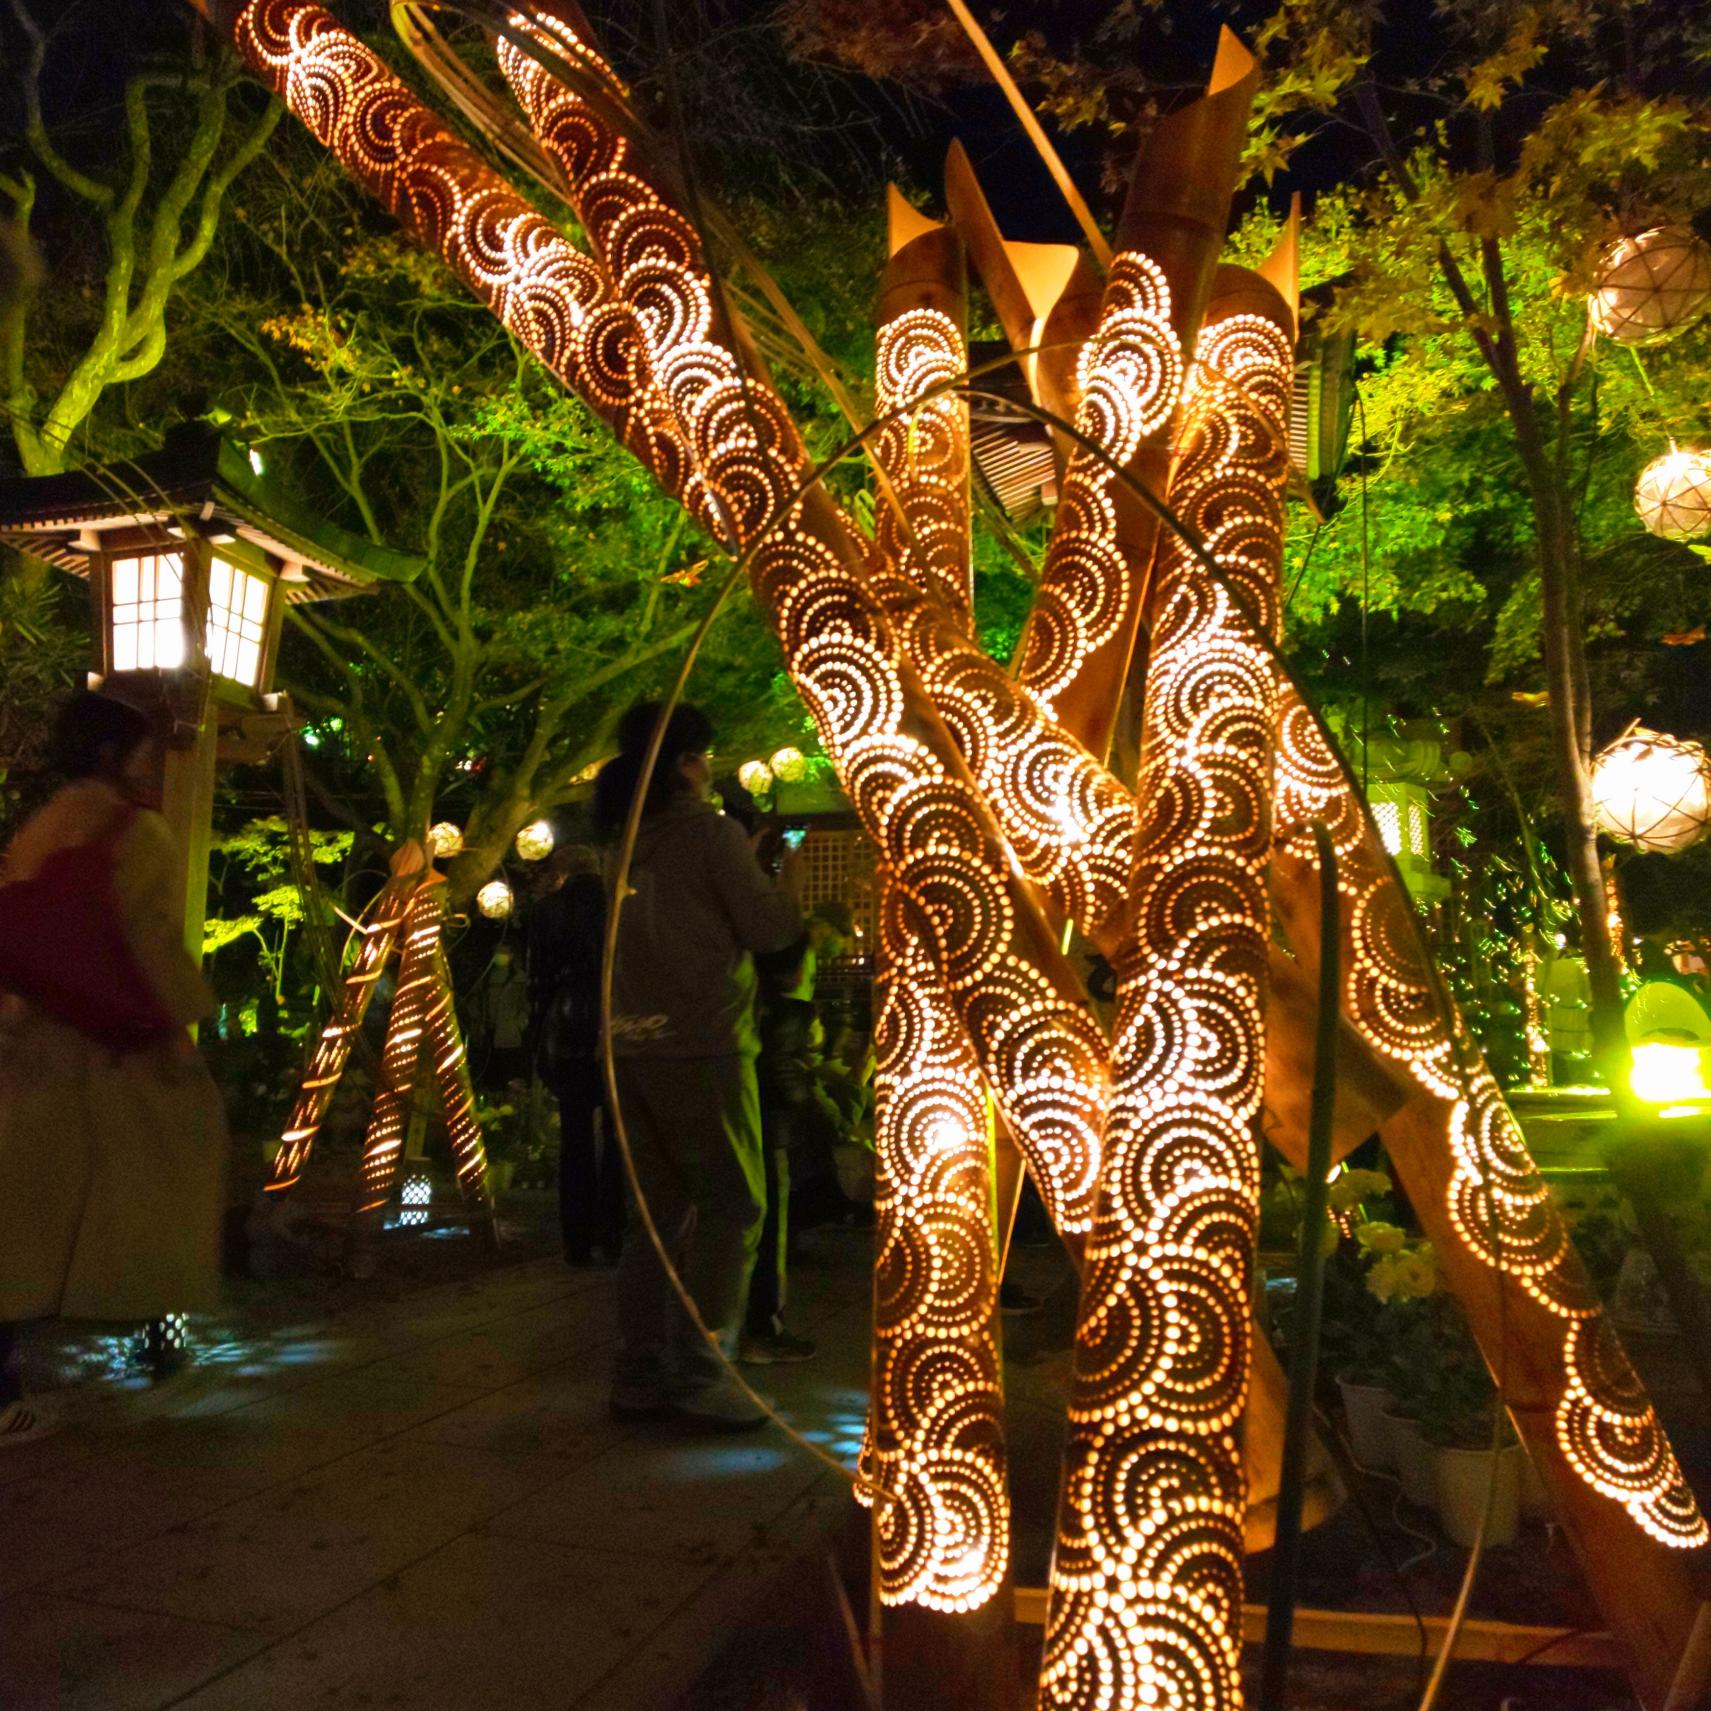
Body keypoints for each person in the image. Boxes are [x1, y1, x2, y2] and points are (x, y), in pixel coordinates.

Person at [0, 693, 227, 1442]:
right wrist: (182, 1031)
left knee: (20, 1216)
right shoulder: (141, 834)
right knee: (163, 1184)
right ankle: (159, 1341)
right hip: (121, 1050)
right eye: (140, 749)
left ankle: (6, 1383)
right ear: (113, 753)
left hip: (34, 1046)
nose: (151, 762)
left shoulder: (41, 827)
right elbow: (152, 943)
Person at [597, 700, 803, 1429]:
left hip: (627, 1044)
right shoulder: (710, 836)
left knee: (653, 1217)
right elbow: (768, 927)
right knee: (732, 1204)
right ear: (685, 761)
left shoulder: (618, 841)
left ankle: (636, 1370)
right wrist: (761, 869)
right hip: (703, 1039)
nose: (709, 770)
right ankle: (702, 1370)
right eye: (703, 756)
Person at [527, 844, 621, 1265]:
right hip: (616, 1018)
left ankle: (577, 1240)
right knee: (619, 1135)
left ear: (562, 873)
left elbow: (539, 978)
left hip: (566, 1022)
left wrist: (538, 1033)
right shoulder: (618, 905)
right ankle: (615, 1233)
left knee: (575, 1134)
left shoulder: (548, 912)